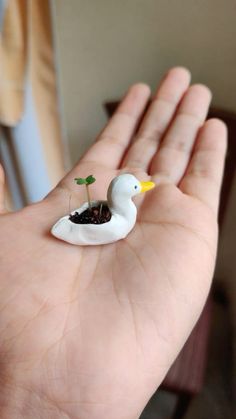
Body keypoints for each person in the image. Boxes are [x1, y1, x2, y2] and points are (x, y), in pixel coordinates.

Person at [0, 67, 227, 419]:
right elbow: (76, 222)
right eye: (136, 189)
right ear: (124, 196)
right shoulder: (115, 222)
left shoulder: (117, 212)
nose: (141, 190)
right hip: (75, 227)